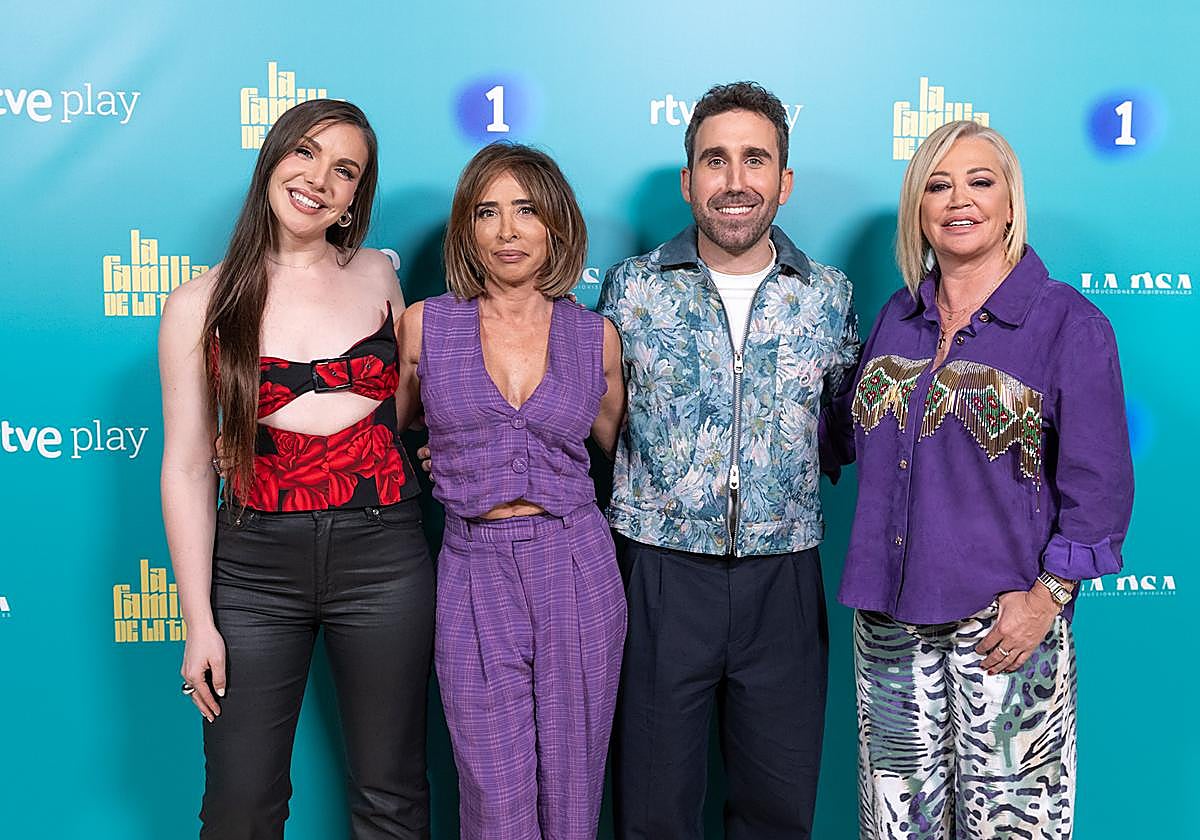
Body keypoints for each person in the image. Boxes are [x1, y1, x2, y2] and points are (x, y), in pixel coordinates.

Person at [824, 119, 1134, 838]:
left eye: (979, 181)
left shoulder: (1067, 324)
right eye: (937, 184)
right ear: (919, 209)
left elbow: (1100, 489)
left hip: (1004, 627)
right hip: (889, 624)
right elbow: (839, 433)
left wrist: (1046, 600)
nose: (958, 199)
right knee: (896, 828)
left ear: (1009, 202)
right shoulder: (894, 322)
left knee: (1012, 828)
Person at [158, 99, 433, 839]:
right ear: (273, 157)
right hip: (253, 570)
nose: (319, 179)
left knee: (392, 793)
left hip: (386, 556)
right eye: (306, 153)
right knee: (241, 804)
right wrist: (198, 624)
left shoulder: (380, 275)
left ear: (355, 198)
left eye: (345, 171)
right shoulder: (198, 303)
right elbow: (186, 469)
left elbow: (405, 413)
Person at [599, 82, 860, 840]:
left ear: (783, 180)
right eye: (715, 161)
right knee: (651, 810)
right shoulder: (633, 288)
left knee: (778, 811)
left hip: (782, 578)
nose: (735, 181)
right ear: (689, 181)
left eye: (755, 160)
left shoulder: (828, 296)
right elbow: (597, 420)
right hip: (658, 573)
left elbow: (844, 427)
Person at [395, 142, 627, 840]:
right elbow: (391, 437)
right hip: (473, 567)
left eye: (525, 210)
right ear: (466, 229)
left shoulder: (597, 338)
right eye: (487, 213)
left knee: (572, 791)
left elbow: (620, 455)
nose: (507, 231)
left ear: (555, 224)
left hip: (577, 563)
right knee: (494, 798)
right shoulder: (425, 325)